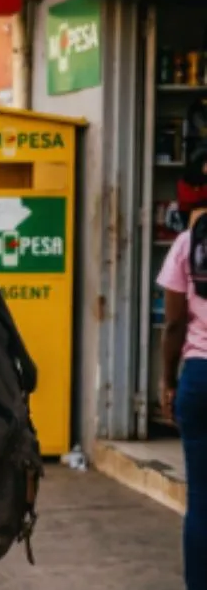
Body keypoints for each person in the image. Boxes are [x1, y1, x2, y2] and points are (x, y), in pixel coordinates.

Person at [157, 215, 207, 590]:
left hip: (199, 377)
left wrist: (167, 380)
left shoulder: (189, 243)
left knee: (201, 501)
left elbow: (174, 324)